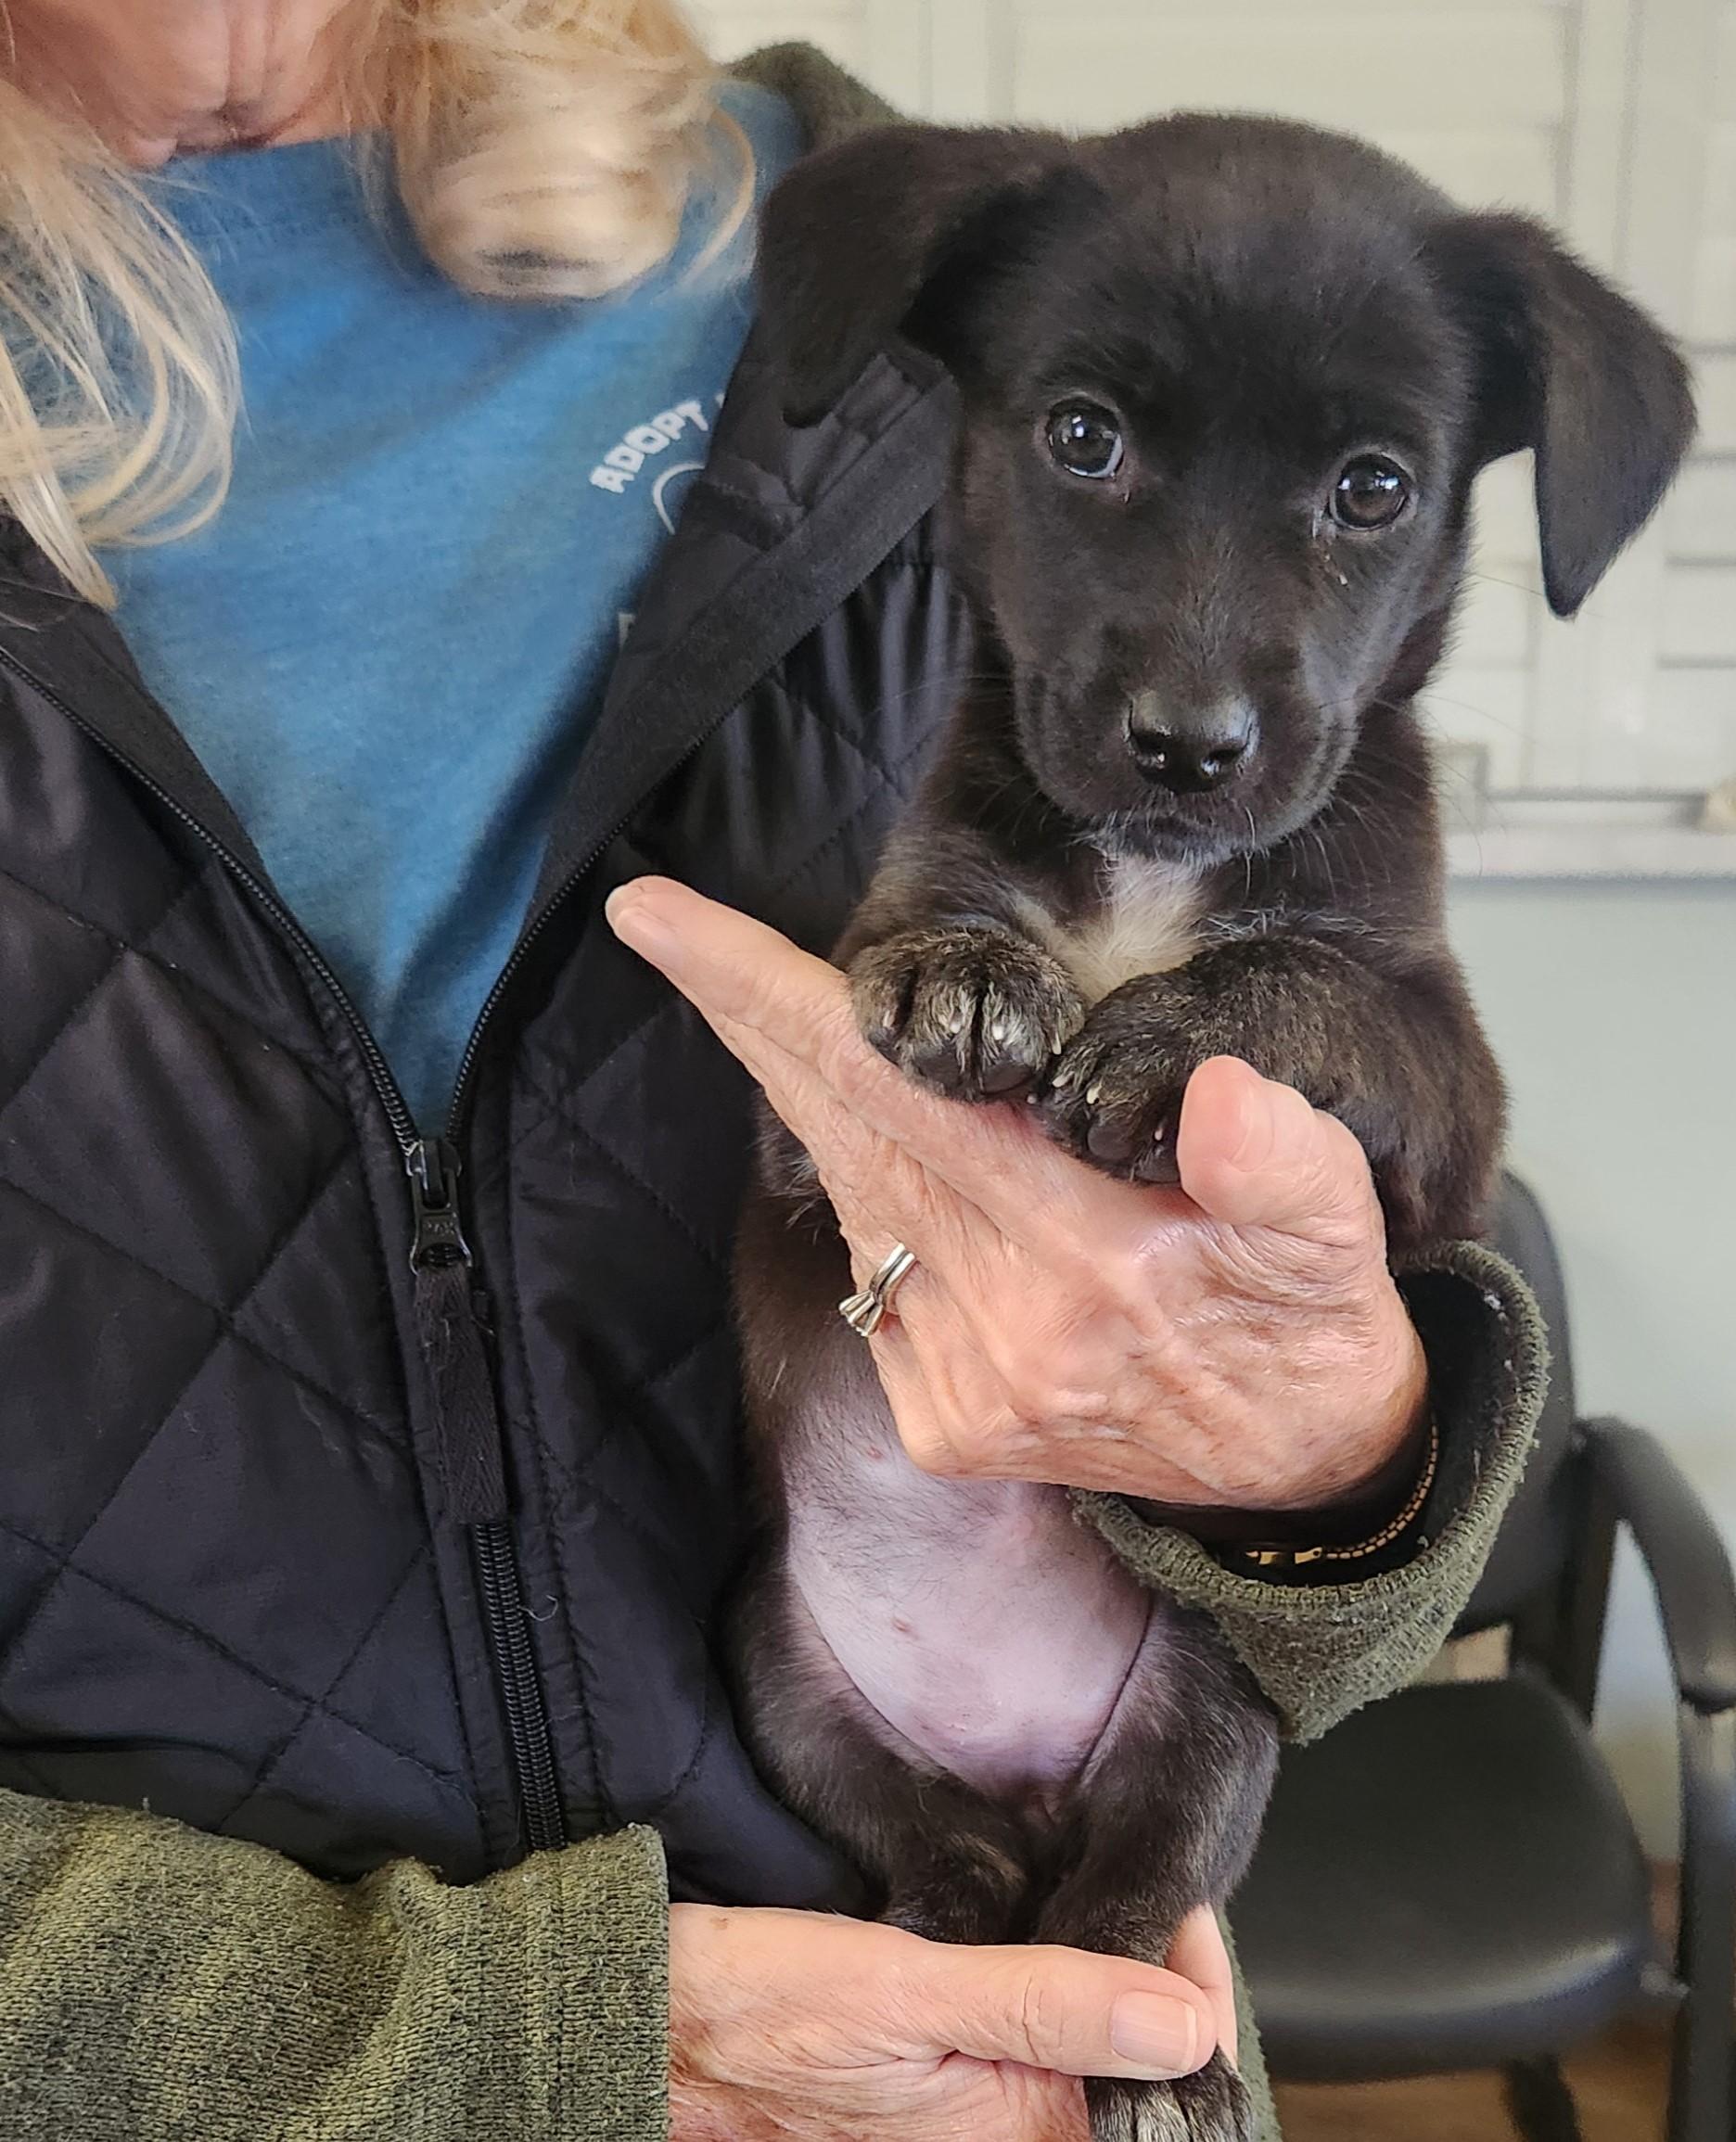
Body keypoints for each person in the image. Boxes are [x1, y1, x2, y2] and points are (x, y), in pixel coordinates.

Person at [0, 6, 1545, 2136]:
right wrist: (517, 2049)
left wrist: (1342, 1474)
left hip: (1014, 2082)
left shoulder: (959, 253)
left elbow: (1333, 1570)